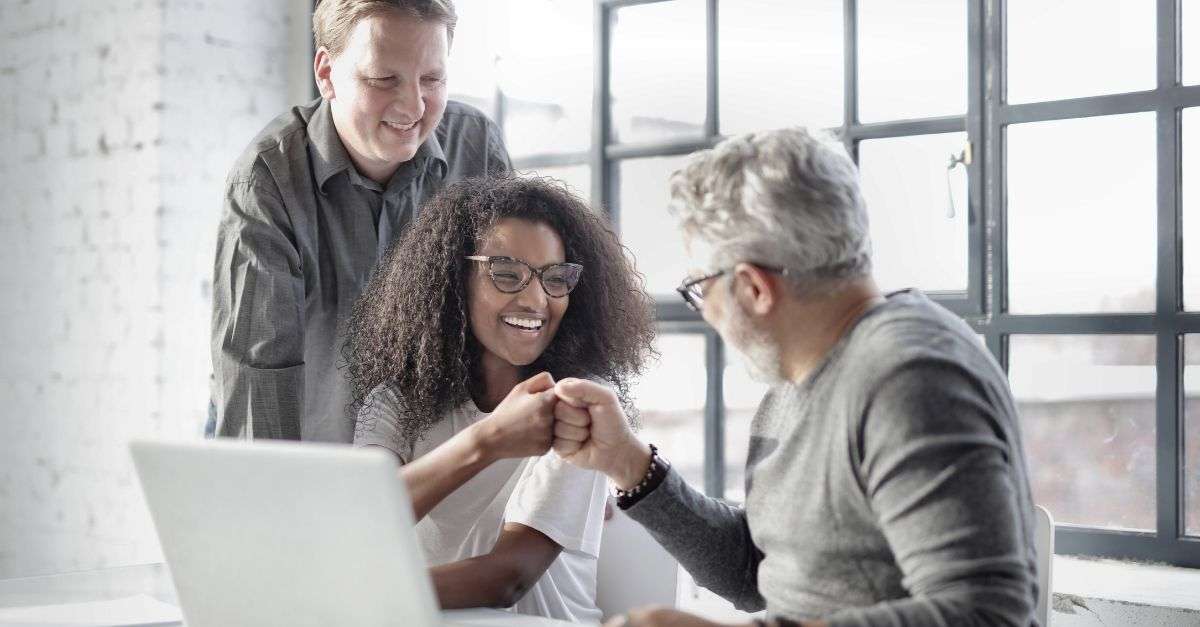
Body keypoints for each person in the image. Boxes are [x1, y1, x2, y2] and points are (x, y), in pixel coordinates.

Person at [550, 128, 1039, 626]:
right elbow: (755, 571)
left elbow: (988, 615)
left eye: (699, 289)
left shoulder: (910, 379)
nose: (705, 311)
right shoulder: (798, 379)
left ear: (753, 288)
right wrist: (628, 462)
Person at [345, 175, 655, 622]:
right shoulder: (394, 403)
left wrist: (359, 592)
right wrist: (488, 439)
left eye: (556, 279)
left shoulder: (579, 406)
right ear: (453, 281)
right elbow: (362, 524)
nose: (536, 300)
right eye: (506, 274)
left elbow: (508, 578)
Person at [211, 0, 510, 441]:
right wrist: (274, 485)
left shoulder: (477, 147)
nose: (413, 106)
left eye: (432, 79)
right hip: (317, 459)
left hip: (443, 461)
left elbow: (514, 318)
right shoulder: (268, 179)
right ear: (326, 73)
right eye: (384, 79)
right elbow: (259, 376)